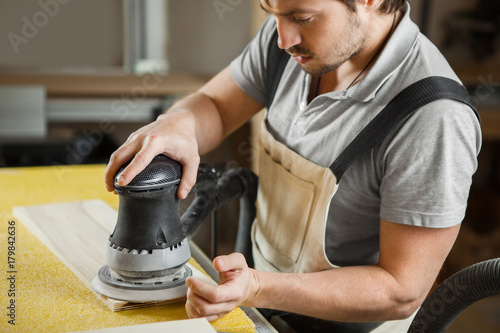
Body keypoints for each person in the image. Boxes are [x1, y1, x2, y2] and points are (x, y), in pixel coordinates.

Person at [104, 0, 481, 332]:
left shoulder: (434, 118)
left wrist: (258, 287)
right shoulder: (285, 39)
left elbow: (400, 290)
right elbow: (216, 106)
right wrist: (180, 123)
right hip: (258, 303)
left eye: (302, 17)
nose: (283, 38)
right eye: (273, 12)